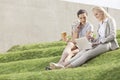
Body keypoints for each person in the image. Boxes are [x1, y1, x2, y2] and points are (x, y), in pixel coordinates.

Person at [50, 6, 119, 69]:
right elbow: (99, 37)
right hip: (99, 43)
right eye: (94, 15)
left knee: (87, 54)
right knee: (82, 52)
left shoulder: (110, 20)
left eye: (96, 14)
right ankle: (62, 65)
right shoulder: (100, 23)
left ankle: (66, 68)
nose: (95, 16)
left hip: (108, 44)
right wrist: (94, 40)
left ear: (102, 12)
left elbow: (113, 35)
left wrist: (100, 41)